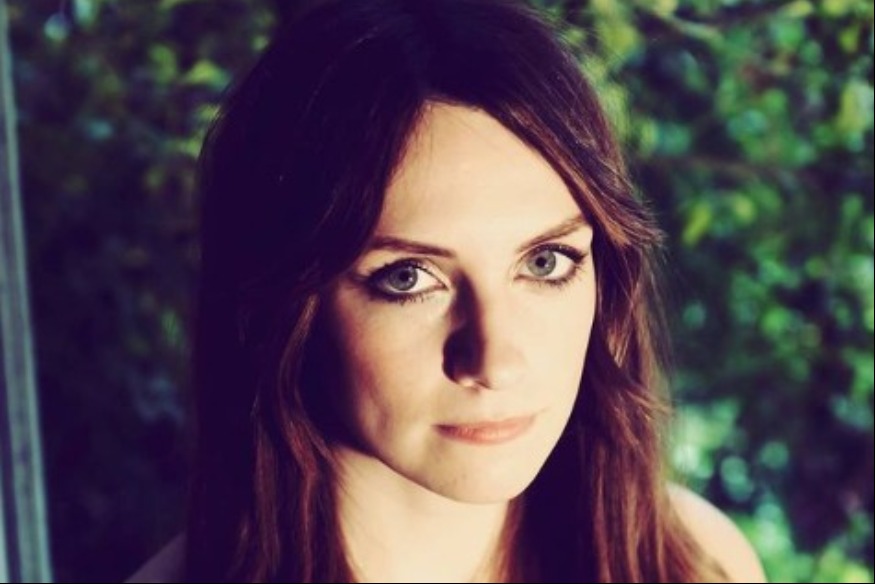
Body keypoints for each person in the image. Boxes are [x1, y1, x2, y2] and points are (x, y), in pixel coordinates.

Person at [128, 0, 767, 581]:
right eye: (408, 278)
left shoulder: (698, 563)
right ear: (282, 306)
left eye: (546, 262)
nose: (495, 361)